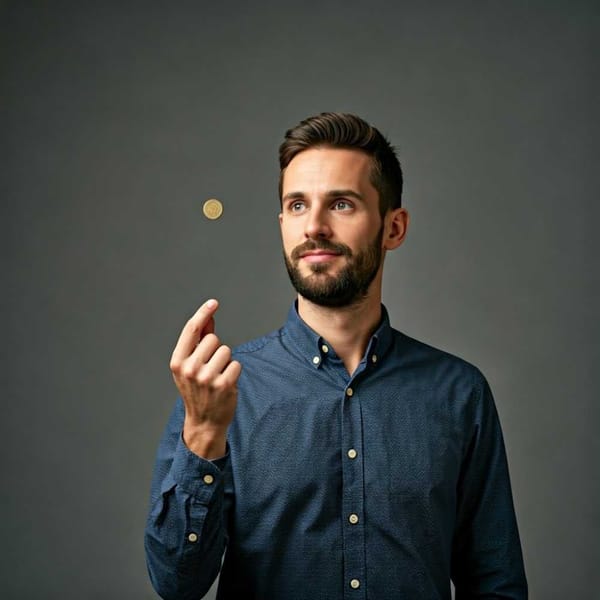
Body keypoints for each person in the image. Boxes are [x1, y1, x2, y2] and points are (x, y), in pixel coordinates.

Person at [145, 112, 528, 599]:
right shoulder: (219, 391)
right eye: (298, 205)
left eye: (342, 204)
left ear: (394, 227)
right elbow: (177, 585)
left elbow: (496, 584)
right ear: (282, 224)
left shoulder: (459, 393)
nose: (316, 227)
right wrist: (202, 433)